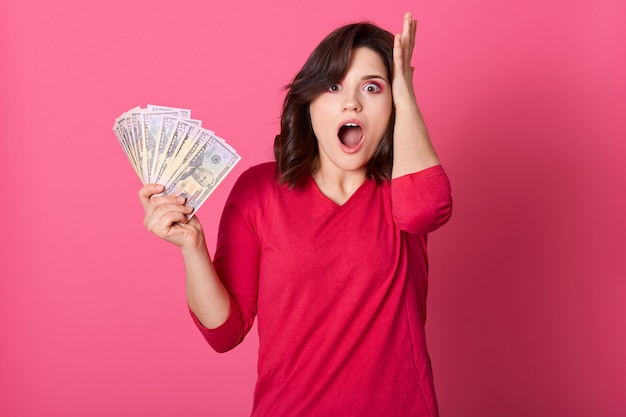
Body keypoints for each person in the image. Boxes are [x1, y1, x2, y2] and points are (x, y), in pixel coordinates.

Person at [139, 12, 452, 417]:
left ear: (392, 106)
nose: (352, 101)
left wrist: (405, 90)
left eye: (373, 87)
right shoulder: (258, 192)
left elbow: (427, 210)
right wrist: (191, 246)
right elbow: (225, 332)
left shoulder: (402, 187)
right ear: (309, 104)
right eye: (334, 85)